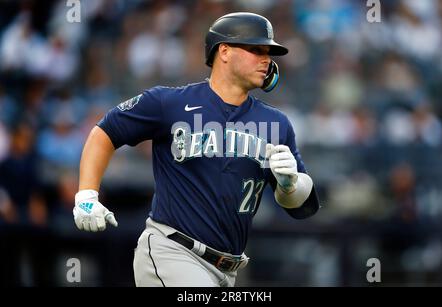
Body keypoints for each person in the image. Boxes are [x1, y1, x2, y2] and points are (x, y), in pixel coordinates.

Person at [73, 12, 320, 287]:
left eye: (268, 52)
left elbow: (302, 207)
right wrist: (86, 194)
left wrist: (290, 185)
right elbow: (104, 133)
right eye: (256, 49)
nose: (266, 59)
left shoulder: (276, 123)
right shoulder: (169, 103)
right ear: (224, 51)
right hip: (173, 252)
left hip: (228, 268)